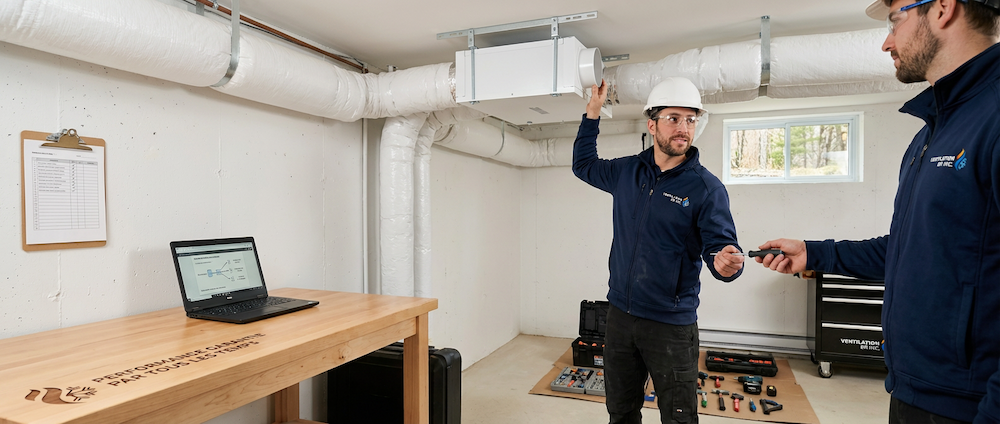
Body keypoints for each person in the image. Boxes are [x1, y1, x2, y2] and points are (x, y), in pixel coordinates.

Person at [755, 0, 1000, 422]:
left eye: (895, 19)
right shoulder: (931, 133)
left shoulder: (993, 116)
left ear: (943, 8)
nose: (887, 41)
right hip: (913, 387)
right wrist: (814, 254)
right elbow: (909, 248)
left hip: (970, 404)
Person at [572, 76, 744, 423]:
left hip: (671, 325)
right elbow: (583, 165)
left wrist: (727, 263)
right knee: (620, 412)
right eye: (674, 118)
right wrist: (593, 113)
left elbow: (720, 249)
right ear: (652, 124)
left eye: (691, 119)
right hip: (620, 316)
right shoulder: (627, 172)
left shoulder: (706, 188)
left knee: (678, 418)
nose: (683, 128)